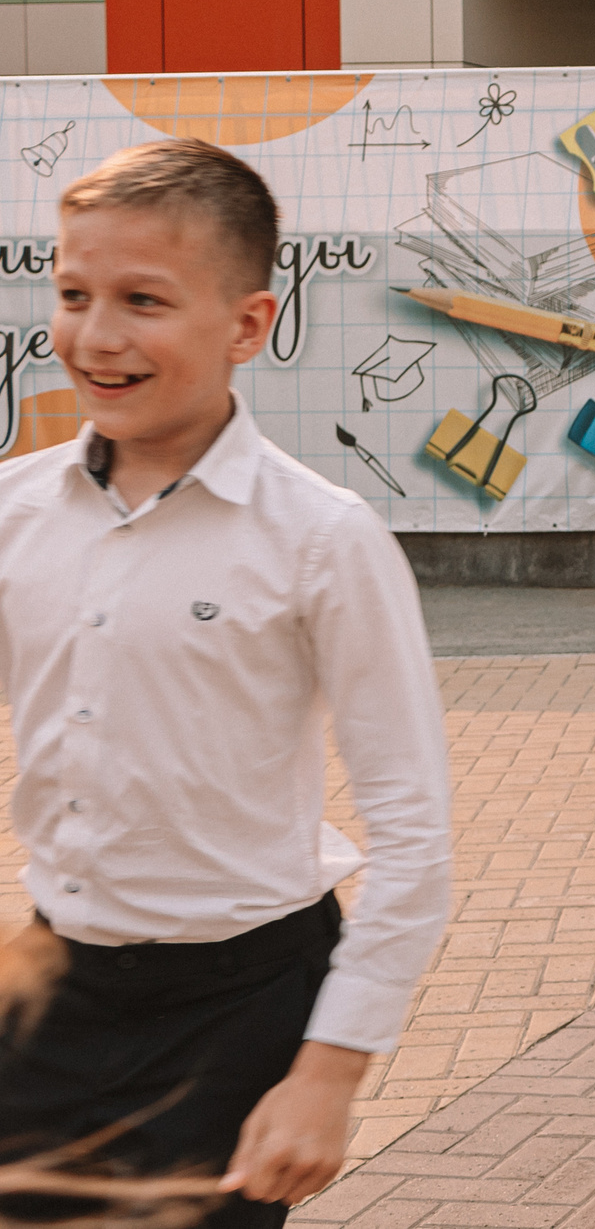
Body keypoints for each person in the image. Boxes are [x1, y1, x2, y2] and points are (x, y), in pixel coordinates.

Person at [0, 139, 454, 1228]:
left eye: (143, 300)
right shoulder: (13, 515)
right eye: (73, 294)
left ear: (248, 324)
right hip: (52, 982)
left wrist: (329, 1074)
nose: (97, 335)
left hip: (243, 1001)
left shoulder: (321, 539)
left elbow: (414, 833)